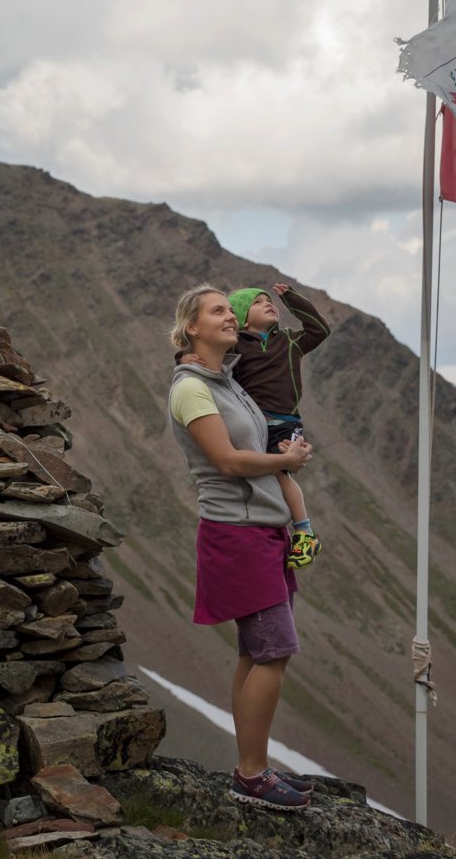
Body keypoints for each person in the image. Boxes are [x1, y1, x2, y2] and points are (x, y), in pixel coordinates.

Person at [168, 284, 315, 812]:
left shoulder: (226, 382)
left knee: (255, 652)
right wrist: (285, 465)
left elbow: (254, 446)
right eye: (217, 312)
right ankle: (252, 776)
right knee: (274, 651)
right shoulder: (190, 389)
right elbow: (227, 462)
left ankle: (252, 767)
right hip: (238, 533)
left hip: (261, 529)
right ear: (192, 328)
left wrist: (286, 452)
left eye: (230, 311)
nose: (230, 317)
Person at [182, 282, 330, 569]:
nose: (268, 304)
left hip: (287, 423)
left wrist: (291, 298)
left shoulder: (289, 341)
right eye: (259, 302)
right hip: (253, 422)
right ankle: (277, 529)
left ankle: (304, 531)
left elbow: (320, 330)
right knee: (260, 472)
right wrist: (183, 357)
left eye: (269, 301)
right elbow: (207, 357)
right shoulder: (234, 347)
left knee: (280, 474)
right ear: (243, 319)